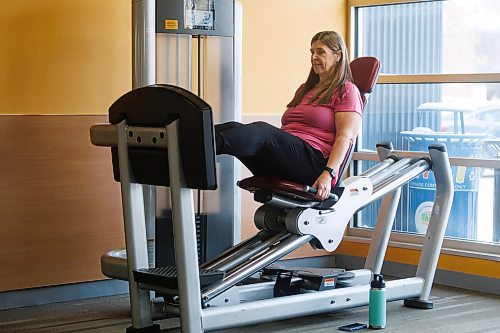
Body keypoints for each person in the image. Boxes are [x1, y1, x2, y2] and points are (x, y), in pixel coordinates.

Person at [215, 31, 363, 200]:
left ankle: (202, 145)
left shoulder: (347, 90)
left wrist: (328, 174)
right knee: (234, 127)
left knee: (261, 132)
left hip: (314, 163)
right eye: (312, 52)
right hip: (292, 158)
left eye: (320, 52)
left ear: (338, 55)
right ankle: (194, 138)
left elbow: (346, 137)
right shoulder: (304, 89)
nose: (314, 57)